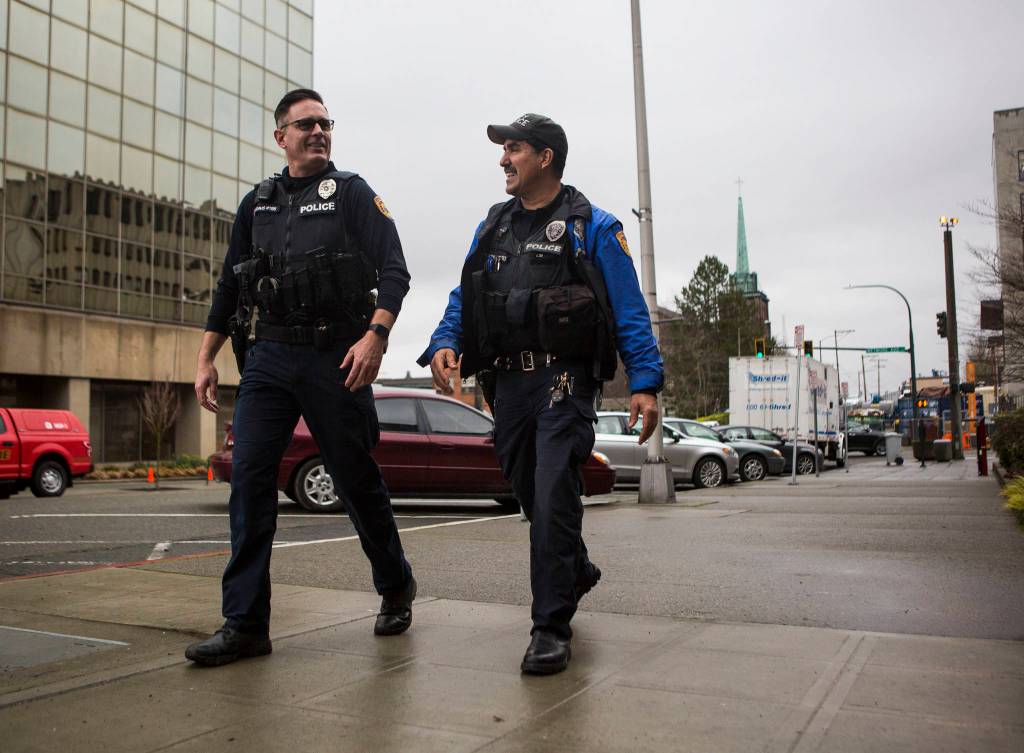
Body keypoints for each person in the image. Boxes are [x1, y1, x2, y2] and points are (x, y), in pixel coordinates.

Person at [418, 113, 663, 674]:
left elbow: (628, 311)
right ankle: (573, 566)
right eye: (503, 150)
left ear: (545, 158)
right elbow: (466, 295)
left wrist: (645, 384)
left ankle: (550, 626)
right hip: (508, 387)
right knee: (533, 496)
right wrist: (444, 340)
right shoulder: (492, 225)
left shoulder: (593, 227)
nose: (503, 160)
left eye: (515, 149)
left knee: (553, 494)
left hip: (563, 383)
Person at [186, 89, 416, 666]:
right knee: (250, 484)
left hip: (336, 354)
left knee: (355, 478)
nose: (318, 132)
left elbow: (395, 268)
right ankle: (244, 624)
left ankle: (394, 585)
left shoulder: (353, 194)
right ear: (280, 136)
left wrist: (376, 334)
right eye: (306, 124)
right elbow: (229, 286)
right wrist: (206, 355)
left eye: (325, 123)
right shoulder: (256, 204)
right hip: (268, 358)